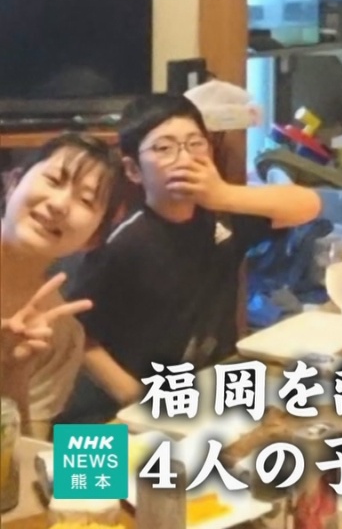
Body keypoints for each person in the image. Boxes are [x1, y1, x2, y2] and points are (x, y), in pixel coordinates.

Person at [57, 94, 322, 424]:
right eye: (164, 148)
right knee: (81, 461)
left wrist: (224, 194)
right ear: (133, 170)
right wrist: (132, 396)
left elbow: (309, 206)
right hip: (118, 413)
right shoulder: (123, 242)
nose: (184, 158)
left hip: (209, 393)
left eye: (195, 144)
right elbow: (76, 330)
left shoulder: (224, 214)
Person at [1, 133, 120, 437]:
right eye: (54, 180)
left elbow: (28, 451)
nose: (59, 204)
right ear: (13, 183)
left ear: (94, 238)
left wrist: (13, 373)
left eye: (86, 200)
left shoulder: (58, 334)